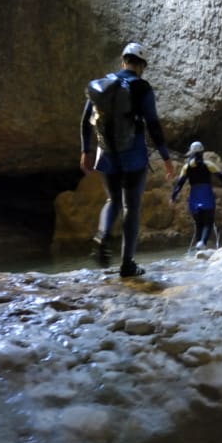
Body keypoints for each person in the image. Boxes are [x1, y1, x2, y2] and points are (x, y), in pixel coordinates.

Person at [80, 42, 174, 278]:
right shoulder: (141, 87)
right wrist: (165, 157)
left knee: (112, 199)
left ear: (123, 61)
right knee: (131, 207)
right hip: (133, 155)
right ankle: (127, 264)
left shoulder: (101, 85)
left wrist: (86, 151)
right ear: (140, 65)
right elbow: (152, 124)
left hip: (107, 154)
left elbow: (85, 121)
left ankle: (102, 236)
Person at [170, 141, 222, 250]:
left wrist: (173, 196)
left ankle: (199, 247)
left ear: (191, 152)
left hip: (194, 196)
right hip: (206, 194)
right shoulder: (208, 165)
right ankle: (202, 242)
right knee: (208, 222)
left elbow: (179, 184)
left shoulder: (186, 167)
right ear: (202, 152)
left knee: (198, 223)